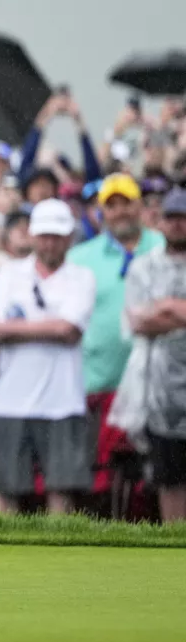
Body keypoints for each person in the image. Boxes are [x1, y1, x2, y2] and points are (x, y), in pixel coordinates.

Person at [0, 199, 96, 515]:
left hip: (63, 401)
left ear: (69, 237)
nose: (50, 242)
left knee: (61, 492)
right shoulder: (8, 272)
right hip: (9, 401)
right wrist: (50, 326)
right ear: (32, 235)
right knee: (6, 493)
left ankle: (60, 562)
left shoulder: (81, 276)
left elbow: (69, 331)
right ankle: (5, 562)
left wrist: (14, 328)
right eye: (44, 234)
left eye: (57, 235)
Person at [67, 174, 165, 499]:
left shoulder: (165, 247)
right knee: (103, 484)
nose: (120, 211)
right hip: (99, 385)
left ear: (141, 205)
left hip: (160, 388)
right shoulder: (80, 258)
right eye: (112, 205)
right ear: (100, 212)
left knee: (159, 478)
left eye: (127, 203)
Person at [124, 189, 186, 522]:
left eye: (184, 218)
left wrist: (168, 306)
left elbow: (152, 315)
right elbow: (138, 321)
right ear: (160, 222)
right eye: (172, 217)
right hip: (161, 397)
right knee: (171, 480)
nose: (179, 224)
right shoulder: (144, 266)